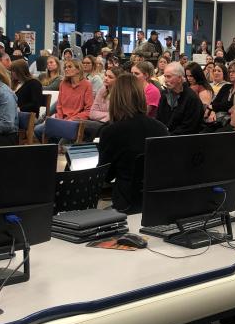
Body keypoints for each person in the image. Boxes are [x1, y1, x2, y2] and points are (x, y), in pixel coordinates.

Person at [98, 74, 169, 213]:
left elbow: (105, 176)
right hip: (156, 201)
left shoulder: (111, 131)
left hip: (125, 203)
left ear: (115, 99)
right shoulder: (161, 128)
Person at [34, 58, 93, 140]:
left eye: (69, 67)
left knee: (62, 135)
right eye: (65, 67)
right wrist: (60, 118)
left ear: (78, 69)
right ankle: (53, 148)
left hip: (76, 120)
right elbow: (59, 105)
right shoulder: (63, 84)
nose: (66, 69)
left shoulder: (87, 85)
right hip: (62, 118)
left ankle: (57, 148)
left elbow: (88, 110)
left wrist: (72, 119)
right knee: (37, 130)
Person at [156, 62, 204, 135]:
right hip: (164, 137)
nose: (165, 80)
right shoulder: (164, 94)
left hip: (182, 140)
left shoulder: (191, 98)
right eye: (165, 76)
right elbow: (158, 118)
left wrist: (167, 135)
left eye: (169, 77)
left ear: (179, 78)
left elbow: (189, 127)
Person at [83, 66, 121, 140]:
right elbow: (92, 113)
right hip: (99, 122)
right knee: (75, 123)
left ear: (118, 80)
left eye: (110, 77)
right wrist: (107, 114)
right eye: (106, 75)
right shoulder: (102, 89)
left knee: (78, 125)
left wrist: (103, 116)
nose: (106, 78)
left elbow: (115, 116)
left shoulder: (120, 94)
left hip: (109, 125)